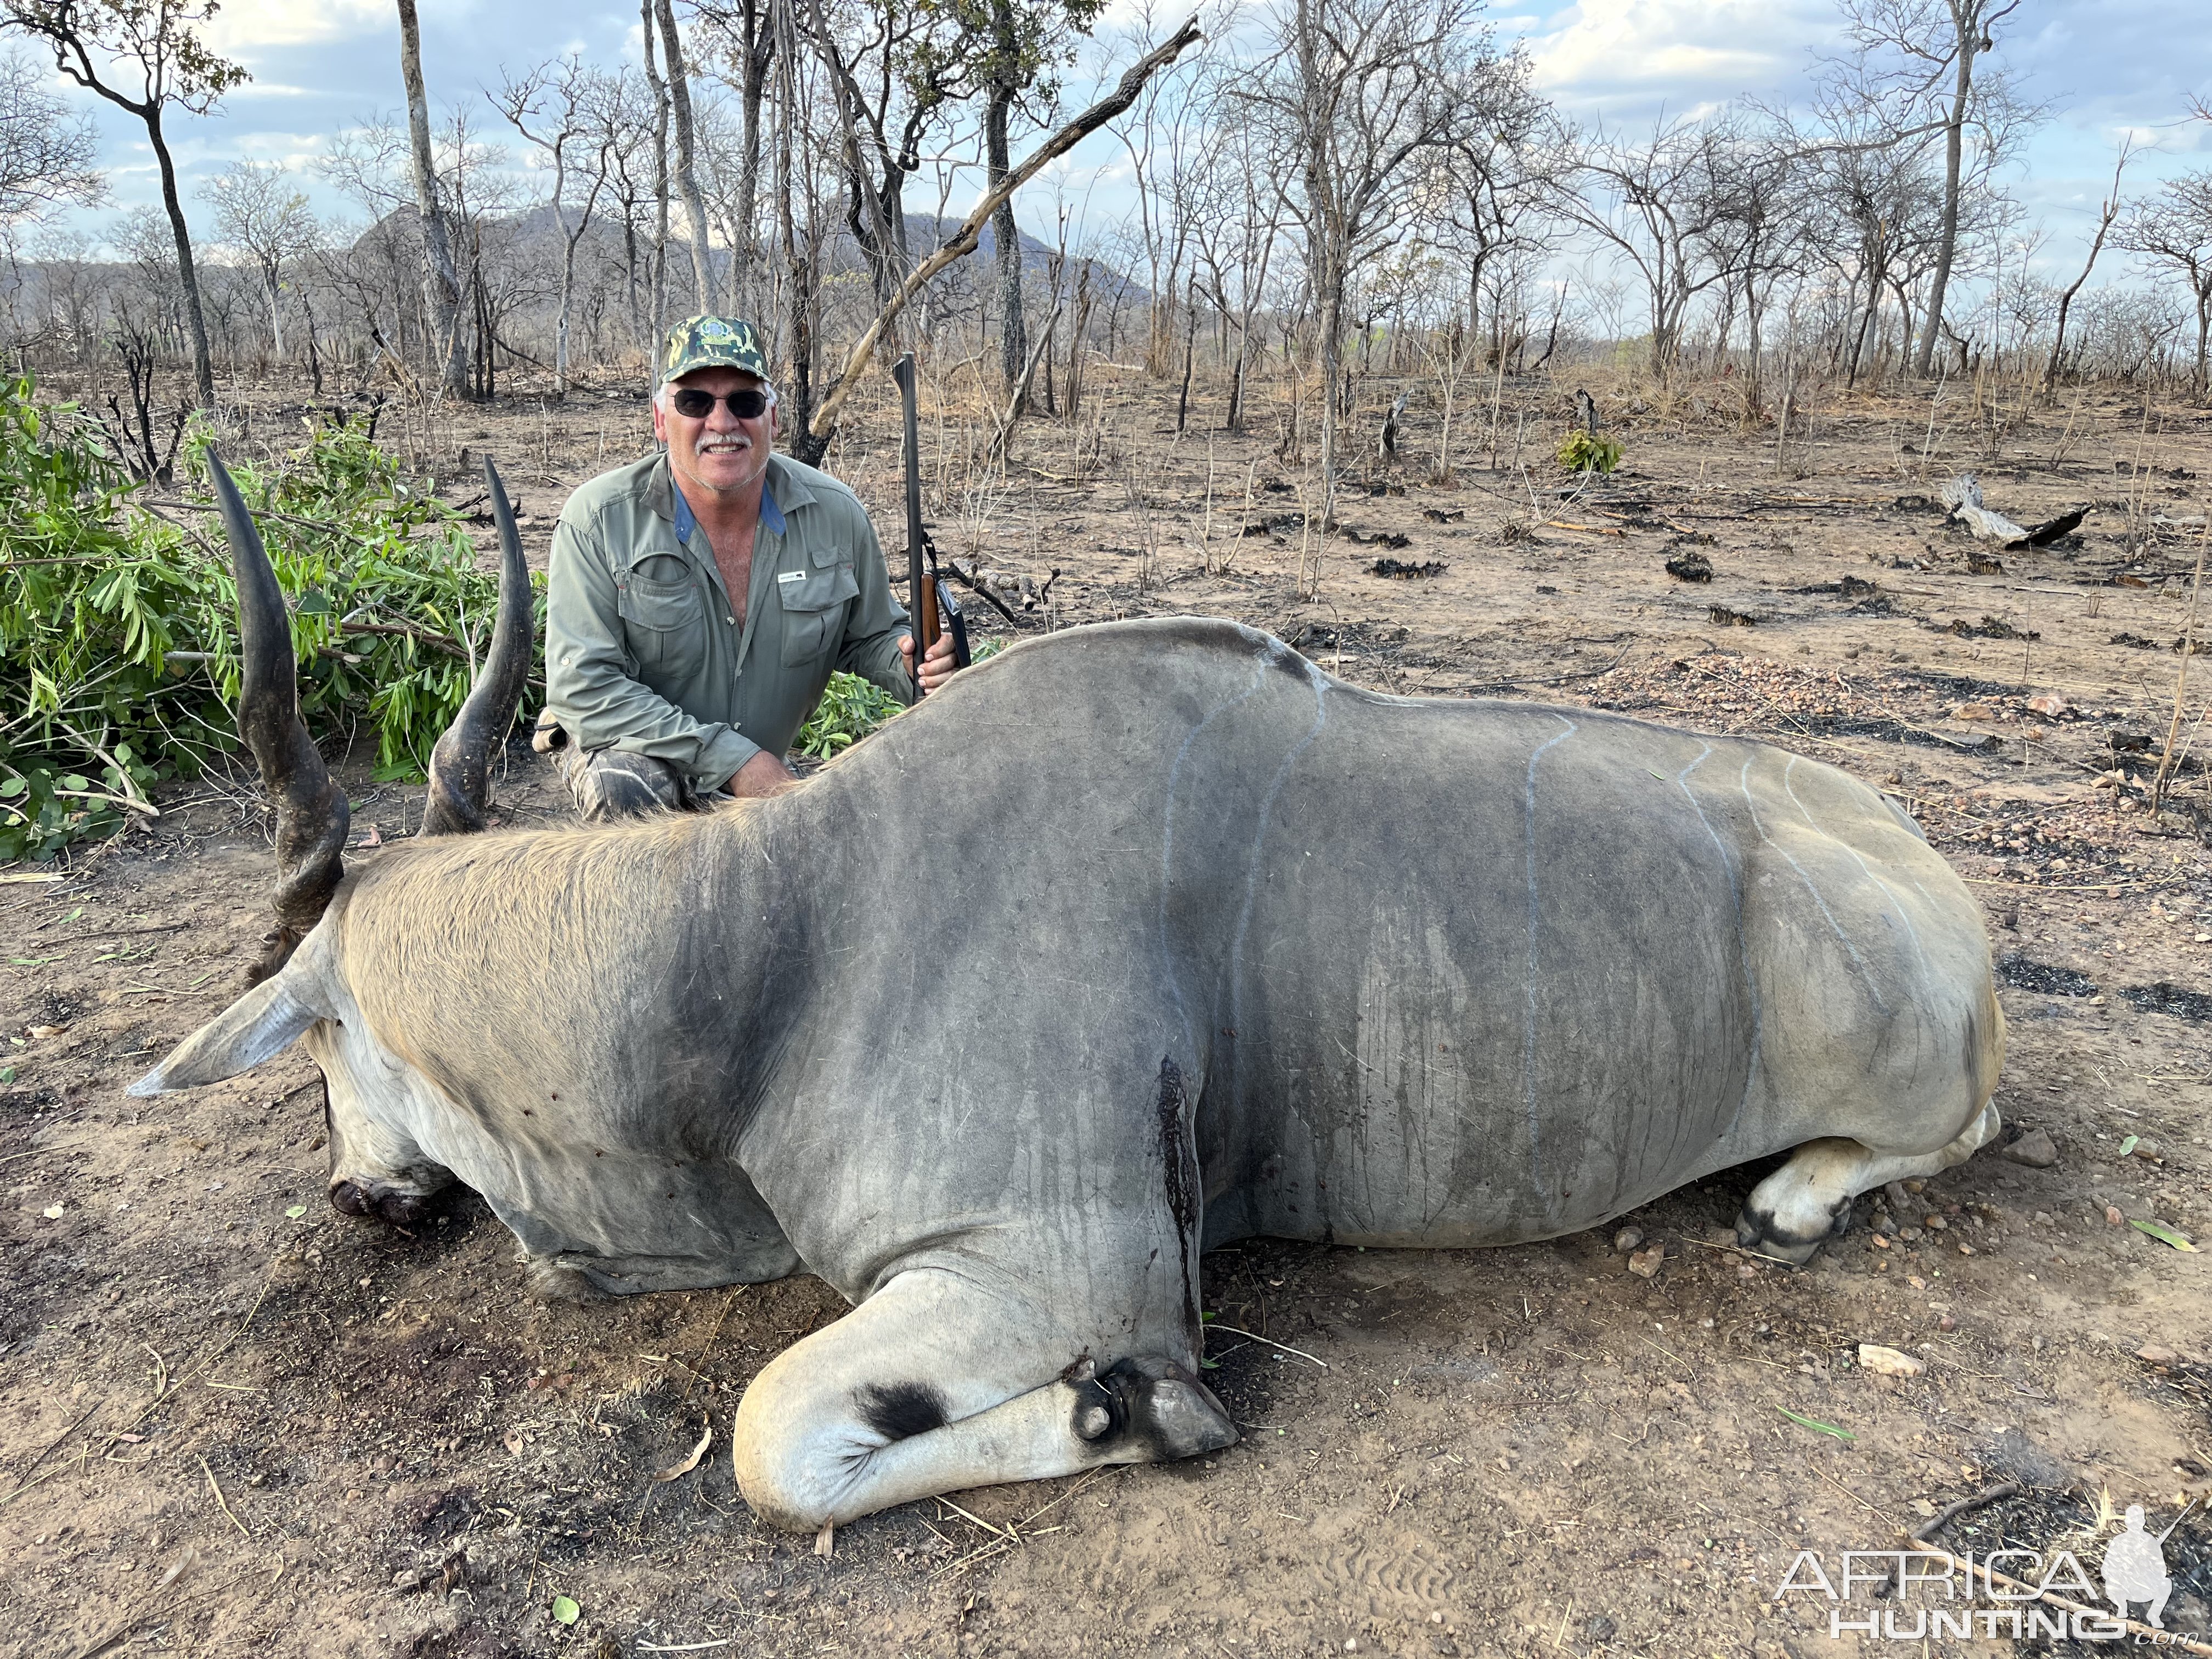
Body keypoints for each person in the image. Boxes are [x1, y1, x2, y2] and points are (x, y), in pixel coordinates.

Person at [540, 315, 960, 820]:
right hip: (640, 750)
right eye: (695, 402)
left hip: (765, 773)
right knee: (630, 786)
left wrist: (919, 663)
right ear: (660, 418)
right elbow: (585, 686)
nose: (721, 423)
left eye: (745, 402)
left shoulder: (835, 513)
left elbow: (870, 634)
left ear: (774, 419)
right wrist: (738, 763)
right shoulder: (598, 519)